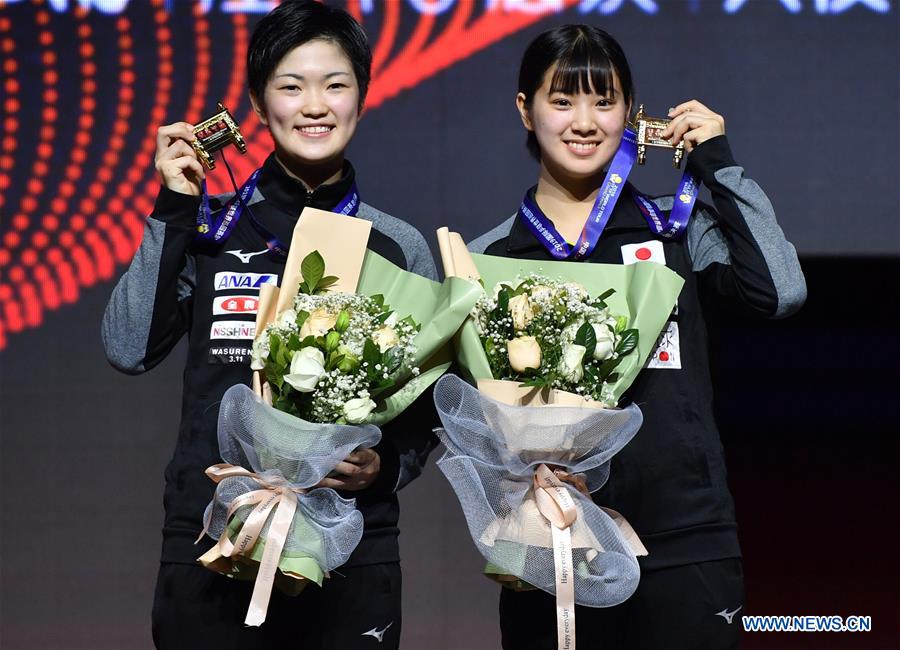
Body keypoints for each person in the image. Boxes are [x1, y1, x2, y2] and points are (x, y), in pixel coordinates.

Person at [102, 2, 437, 648]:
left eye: (335, 84)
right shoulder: (210, 228)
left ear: (362, 99)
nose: (315, 105)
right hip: (212, 537)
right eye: (291, 86)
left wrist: (385, 465)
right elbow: (126, 346)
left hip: (349, 552)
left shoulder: (397, 247)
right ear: (257, 104)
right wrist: (174, 206)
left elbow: (429, 412)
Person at [468, 24, 806, 649]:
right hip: (556, 542)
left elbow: (779, 291)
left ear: (631, 112)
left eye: (605, 100)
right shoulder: (487, 257)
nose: (585, 121)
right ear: (525, 109)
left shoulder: (674, 228)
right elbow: (470, 423)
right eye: (562, 100)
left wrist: (720, 167)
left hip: (686, 533)